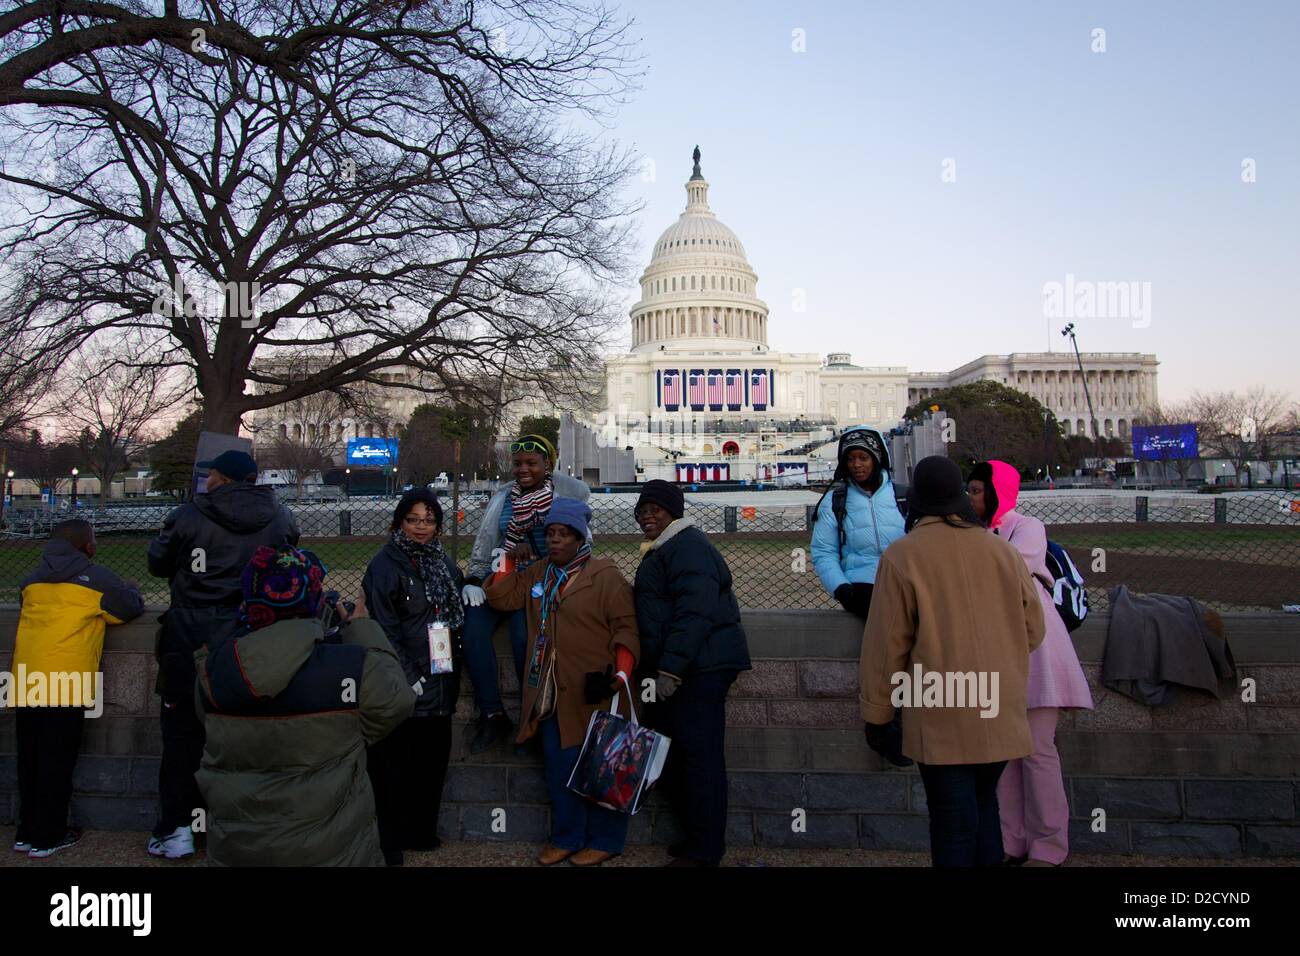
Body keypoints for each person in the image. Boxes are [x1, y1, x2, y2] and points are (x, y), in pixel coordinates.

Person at [859, 455, 1046, 867]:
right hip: (997, 704)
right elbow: (1035, 630)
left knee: (952, 824)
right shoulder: (1002, 551)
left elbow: (885, 648)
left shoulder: (903, 556)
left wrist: (877, 714)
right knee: (985, 810)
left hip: (939, 708)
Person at [194, 546, 413, 866]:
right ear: (313, 600)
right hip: (329, 852)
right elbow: (396, 701)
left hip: (237, 849)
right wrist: (362, 629)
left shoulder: (212, 671)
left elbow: (209, 723)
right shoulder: (349, 667)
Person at [145, 449, 298, 859]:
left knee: (182, 734)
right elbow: (290, 557)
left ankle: (177, 827)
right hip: (253, 631)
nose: (207, 480)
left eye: (211, 474)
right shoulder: (279, 515)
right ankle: (248, 826)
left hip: (192, 632)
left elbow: (157, 563)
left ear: (222, 477)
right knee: (250, 733)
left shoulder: (189, 514)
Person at [485, 498, 639, 867]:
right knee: (560, 766)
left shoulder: (605, 576)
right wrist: (509, 557)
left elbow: (626, 629)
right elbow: (501, 596)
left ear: (580, 538)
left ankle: (606, 840)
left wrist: (617, 677)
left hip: (595, 689)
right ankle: (568, 837)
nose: (555, 541)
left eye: (564, 535)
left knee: (604, 767)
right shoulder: (538, 573)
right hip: (552, 691)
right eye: (551, 533)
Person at [968, 460, 1093, 867]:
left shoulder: (1027, 526)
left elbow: (1008, 570)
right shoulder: (972, 533)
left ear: (997, 491)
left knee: (1038, 750)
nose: (971, 497)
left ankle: (1050, 847)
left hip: (1034, 645)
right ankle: (1012, 841)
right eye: (968, 490)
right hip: (993, 646)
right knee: (1003, 751)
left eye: (977, 490)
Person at [631, 479, 751, 867]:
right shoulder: (666, 548)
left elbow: (694, 610)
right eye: (642, 510)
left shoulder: (688, 546)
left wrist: (670, 668)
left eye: (656, 509)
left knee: (700, 759)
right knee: (679, 756)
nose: (648, 515)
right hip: (688, 668)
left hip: (700, 668)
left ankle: (705, 850)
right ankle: (697, 839)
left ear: (674, 512)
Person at [12, 520, 144, 859]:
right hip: (65, 681)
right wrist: (131, 588)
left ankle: (26, 832)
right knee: (58, 761)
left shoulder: (31, 581)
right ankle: (48, 836)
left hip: (27, 677)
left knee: (30, 759)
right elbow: (127, 608)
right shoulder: (95, 578)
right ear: (86, 546)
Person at [461, 433, 591, 754]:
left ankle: (531, 717)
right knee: (473, 628)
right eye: (518, 463)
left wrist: (537, 554)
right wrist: (475, 579)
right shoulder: (504, 497)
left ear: (547, 464)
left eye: (532, 463)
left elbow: (582, 546)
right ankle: (492, 713)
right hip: (505, 577)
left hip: (542, 581)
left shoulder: (567, 496)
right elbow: (487, 540)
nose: (523, 469)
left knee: (524, 637)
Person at [362, 490, 464, 866]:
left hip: (441, 680)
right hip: (406, 684)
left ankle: (423, 832)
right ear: (399, 523)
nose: (421, 527)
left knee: (432, 764)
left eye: (428, 520)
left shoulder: (444, 564)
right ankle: (393, 836)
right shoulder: (385, 565)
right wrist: (408, 675)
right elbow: (383, 627)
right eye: (413, 519)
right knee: (395, 766)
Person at [811, 426, 906, 620]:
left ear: (877, 458)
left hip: (903, 585)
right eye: (850, 458)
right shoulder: (834, 500)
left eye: (863, 457)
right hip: (861, 590)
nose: (856, 464)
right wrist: (841, 588)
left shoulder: (904, 497)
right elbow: (824, 551)